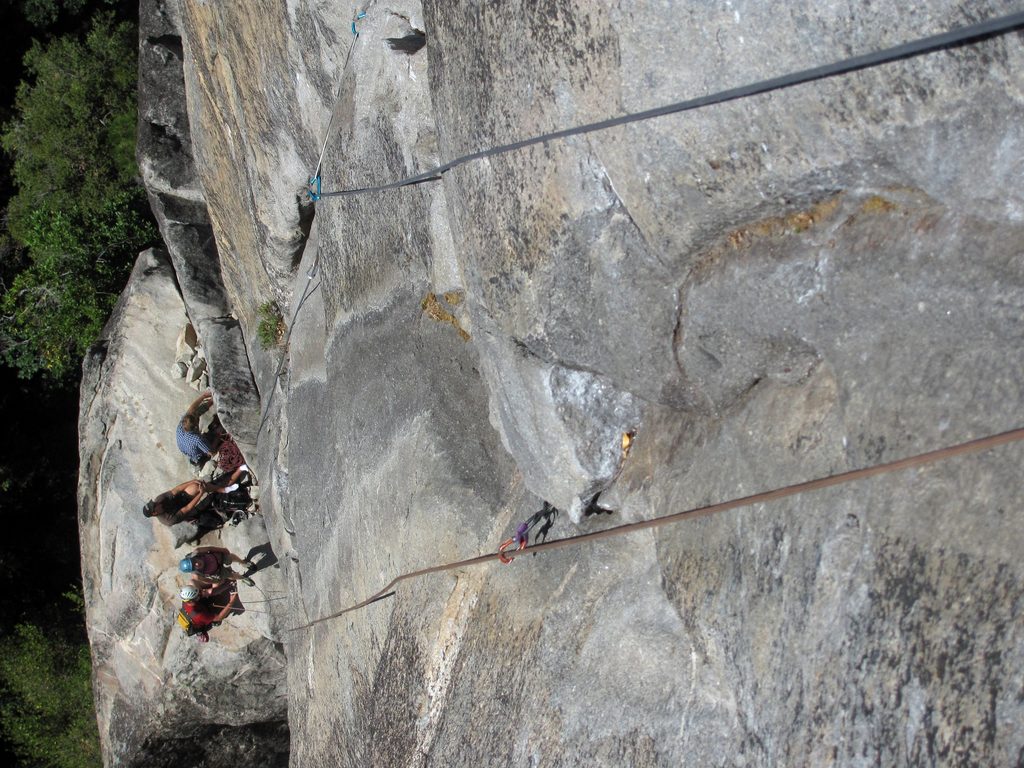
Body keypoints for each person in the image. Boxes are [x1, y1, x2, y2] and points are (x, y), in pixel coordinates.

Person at [142, 478, 241, 527]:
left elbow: (176, 490)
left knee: (195, 486)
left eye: (154, 503)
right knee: (204, 493)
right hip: (190, 512)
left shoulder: (159, 499)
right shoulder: (168, 520)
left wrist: (192, 481)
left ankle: (222, 489)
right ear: (155, 513)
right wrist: (201, 493)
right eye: (154, 505)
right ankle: (223, 489)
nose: (156, 503)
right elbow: (187, 508)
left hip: (183, 499)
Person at [176, 390, 224, 466]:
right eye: (197, 420)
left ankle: (211, 401)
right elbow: (211, 453)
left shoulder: (181, 426)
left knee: (196, 412)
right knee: (218, 432)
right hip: (198, 455)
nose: (198, 419)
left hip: (184, 447)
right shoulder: (197, 439)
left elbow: (192, 409)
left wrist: (204, 396)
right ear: (196, 427)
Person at [180, 545, 255, 595]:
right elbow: (207, 580)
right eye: (194, 566)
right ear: (193, 570)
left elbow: (210, 549)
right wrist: (216, 581)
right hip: (215, 572)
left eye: (194, 561)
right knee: (229, 575)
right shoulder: (196, 575)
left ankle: (243, 562)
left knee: (230, 557)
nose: (196, 564)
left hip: (217, 558)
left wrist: (222, 550)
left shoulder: (197, 552)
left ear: (192, 558)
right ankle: (243, 578)